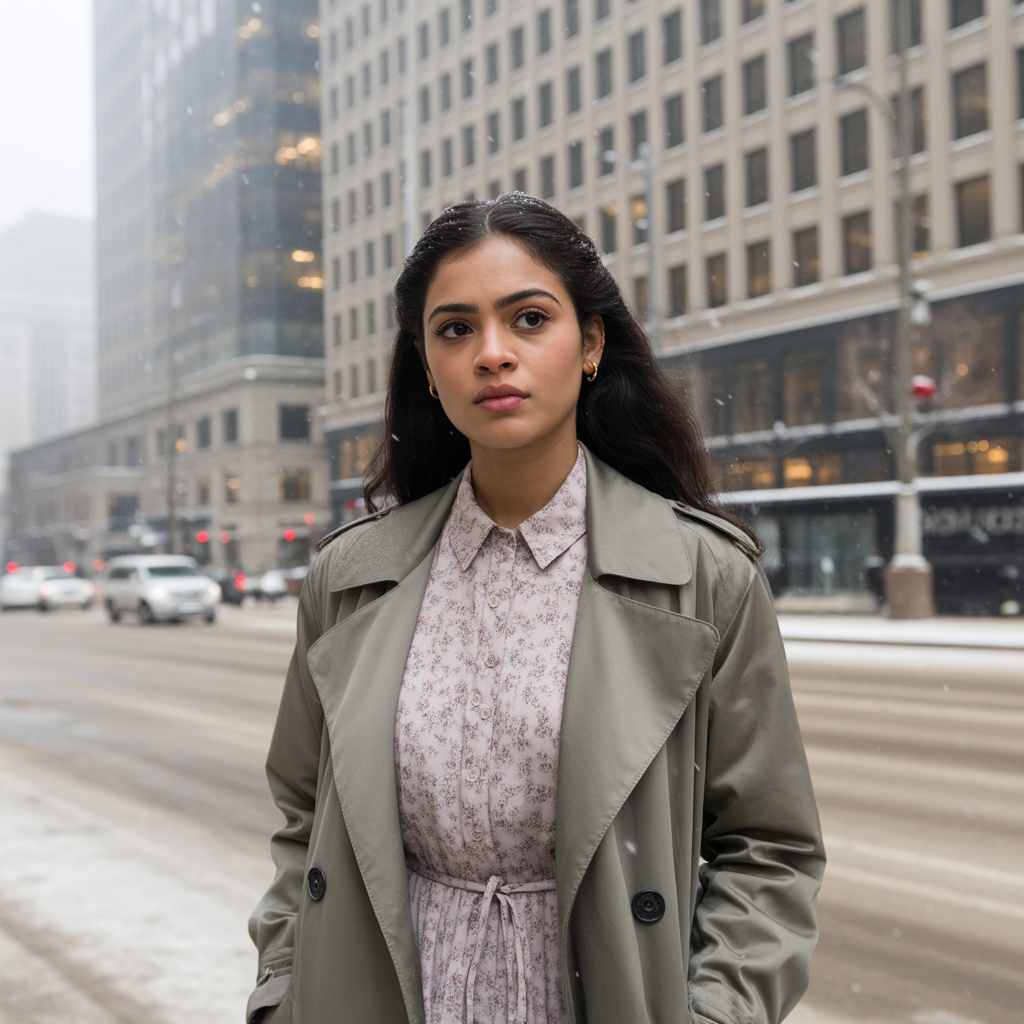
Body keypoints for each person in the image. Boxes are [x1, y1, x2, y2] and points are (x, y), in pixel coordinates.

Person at [247, 194, 824, 1024]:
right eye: (455, 329)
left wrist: (715, 1013)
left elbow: (768, 847)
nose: (492, 354)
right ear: (427, 362)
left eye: (528, 319)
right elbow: (305, 822)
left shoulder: (704, 575)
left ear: (590, 342)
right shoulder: (350, 577)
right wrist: (281, 995)